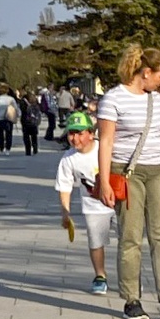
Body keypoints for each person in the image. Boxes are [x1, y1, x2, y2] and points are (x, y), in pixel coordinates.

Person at [97, 45, 160, 319]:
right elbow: (106, 142)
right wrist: (105, 182)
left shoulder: (157, 100)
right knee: (131, 237)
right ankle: (132, 300)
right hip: (126, 173)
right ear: (145, 73)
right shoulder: (113, 99)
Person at [56, 109, 112, 294]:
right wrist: (65, 213)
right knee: (96, 241)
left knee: (128, 241)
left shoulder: (104, 148)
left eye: (80, 133)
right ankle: (100, 275)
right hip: (93, 205)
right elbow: (65, 186)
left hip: (117, 202)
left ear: (90, 133)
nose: (75, 139)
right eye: (71, 134)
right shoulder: (68, 159)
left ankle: (131, 277)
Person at [0, 85, 17, 153]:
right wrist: (18, 115)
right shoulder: (11, 99)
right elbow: (16, 108)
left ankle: (1, 147)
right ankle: (8, 148)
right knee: (9, 133)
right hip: (9, 117)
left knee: (0, 133)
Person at [19, 89, 41, 155]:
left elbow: (22, 110)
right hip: (34, 121)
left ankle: (28, 150)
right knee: (34, 136)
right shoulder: (35, 101)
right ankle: (35, 148)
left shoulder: (23, 102)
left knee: (26, 136)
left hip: (25, 121)